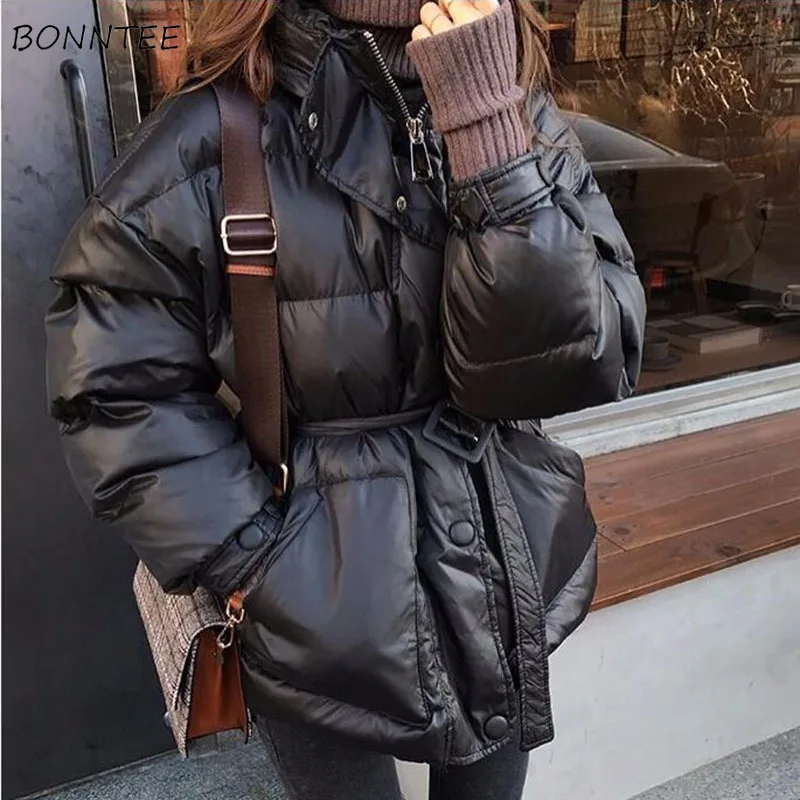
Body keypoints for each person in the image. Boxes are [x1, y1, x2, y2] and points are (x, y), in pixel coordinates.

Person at [45, 1, 646, 798]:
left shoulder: (513, 108)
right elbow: (115, 386)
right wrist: (255, 559)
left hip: (497, 568)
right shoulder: (215, 138)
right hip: (311, 603)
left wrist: (492, 147)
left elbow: (572, 364)